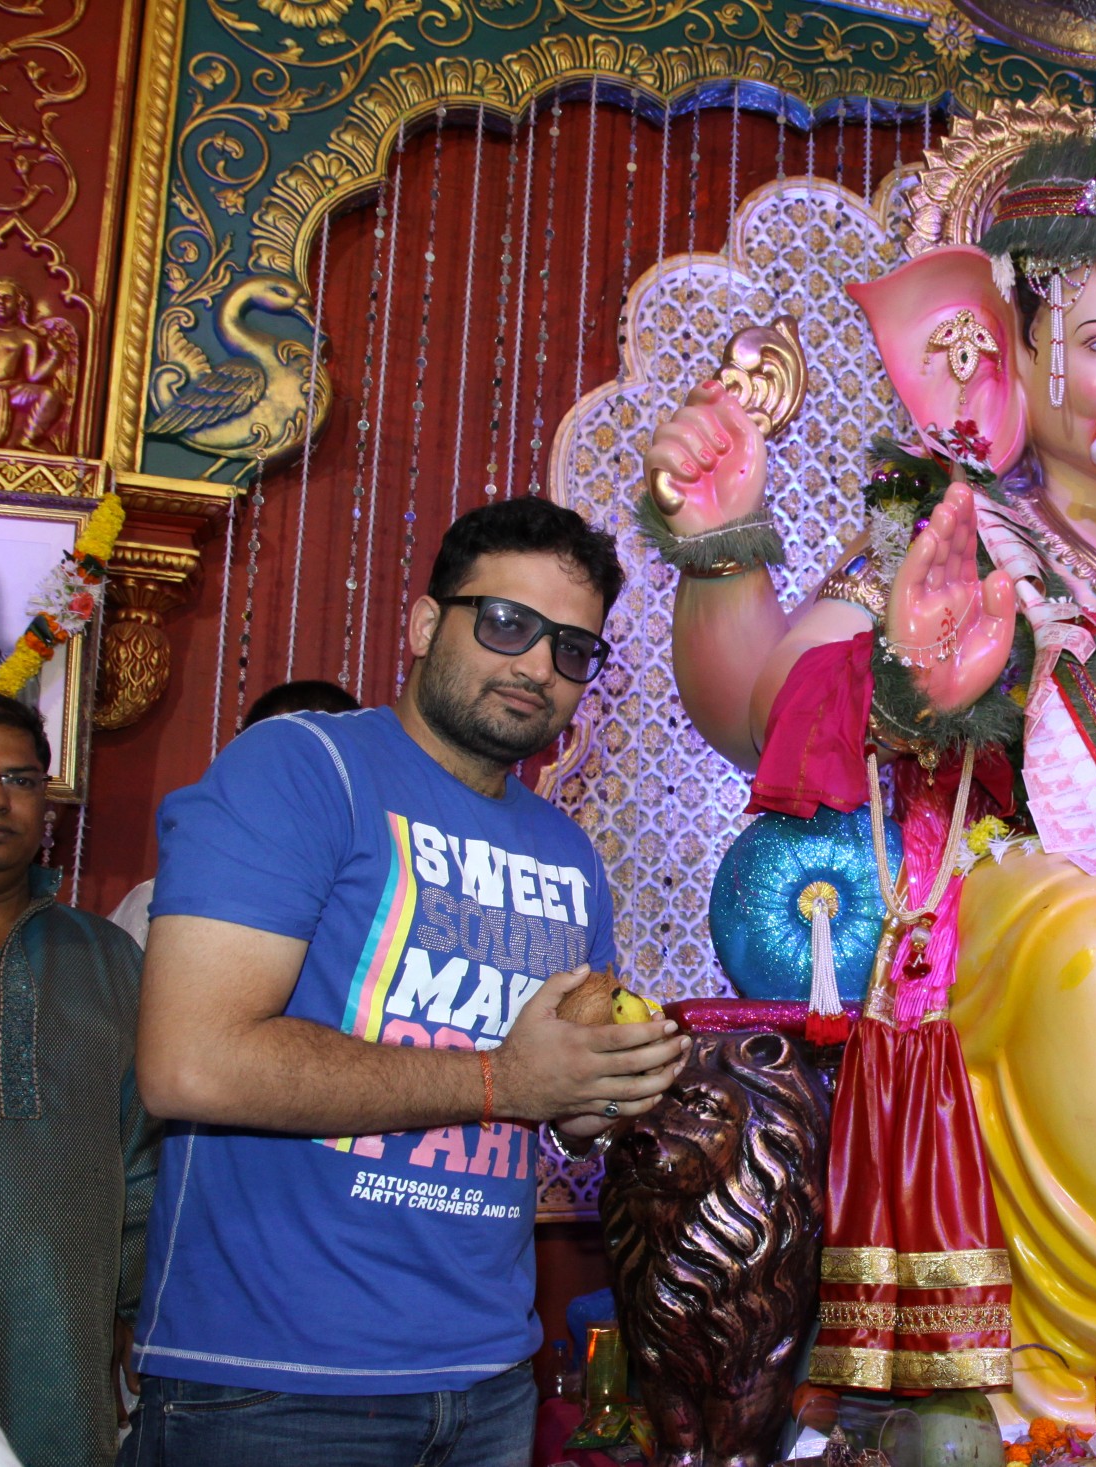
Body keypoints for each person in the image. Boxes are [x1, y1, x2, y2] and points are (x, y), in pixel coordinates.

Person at [122, 497, 688, 1466]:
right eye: (507, 624)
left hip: (487, 1380)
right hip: (272, 1385)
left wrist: (614, 1085)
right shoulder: (301, 770)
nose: (536, 667)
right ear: (426, 624)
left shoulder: (567, 853)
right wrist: (507, 1083)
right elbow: (191, 1064)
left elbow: (563, 1116)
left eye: (572, 650)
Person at [0, 688, 158, 1466]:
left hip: (64, 1348)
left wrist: (136, 1316)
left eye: (19, 779)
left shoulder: (109, 960)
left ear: (49, 800)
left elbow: (143, 1155)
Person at [106, 679, 361, 949]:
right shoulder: (161, 903)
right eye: (276, 770)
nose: (293, 795)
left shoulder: (383, 913)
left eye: (314, 775)